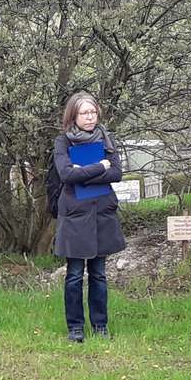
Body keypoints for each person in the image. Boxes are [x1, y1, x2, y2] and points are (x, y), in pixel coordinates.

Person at [51, 92, 125, 342]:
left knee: (99, 274)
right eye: (84, 113)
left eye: (93, 112)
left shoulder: (106, 138)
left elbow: (116, 173)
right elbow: (66, 175)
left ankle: (100, 325)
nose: (90, 117)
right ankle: (75, 328)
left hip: (101, 213)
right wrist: (99, 167)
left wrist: (83, 171)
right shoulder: (63, 142)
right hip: (75, 216)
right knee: (73, 275)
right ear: (73, 115)